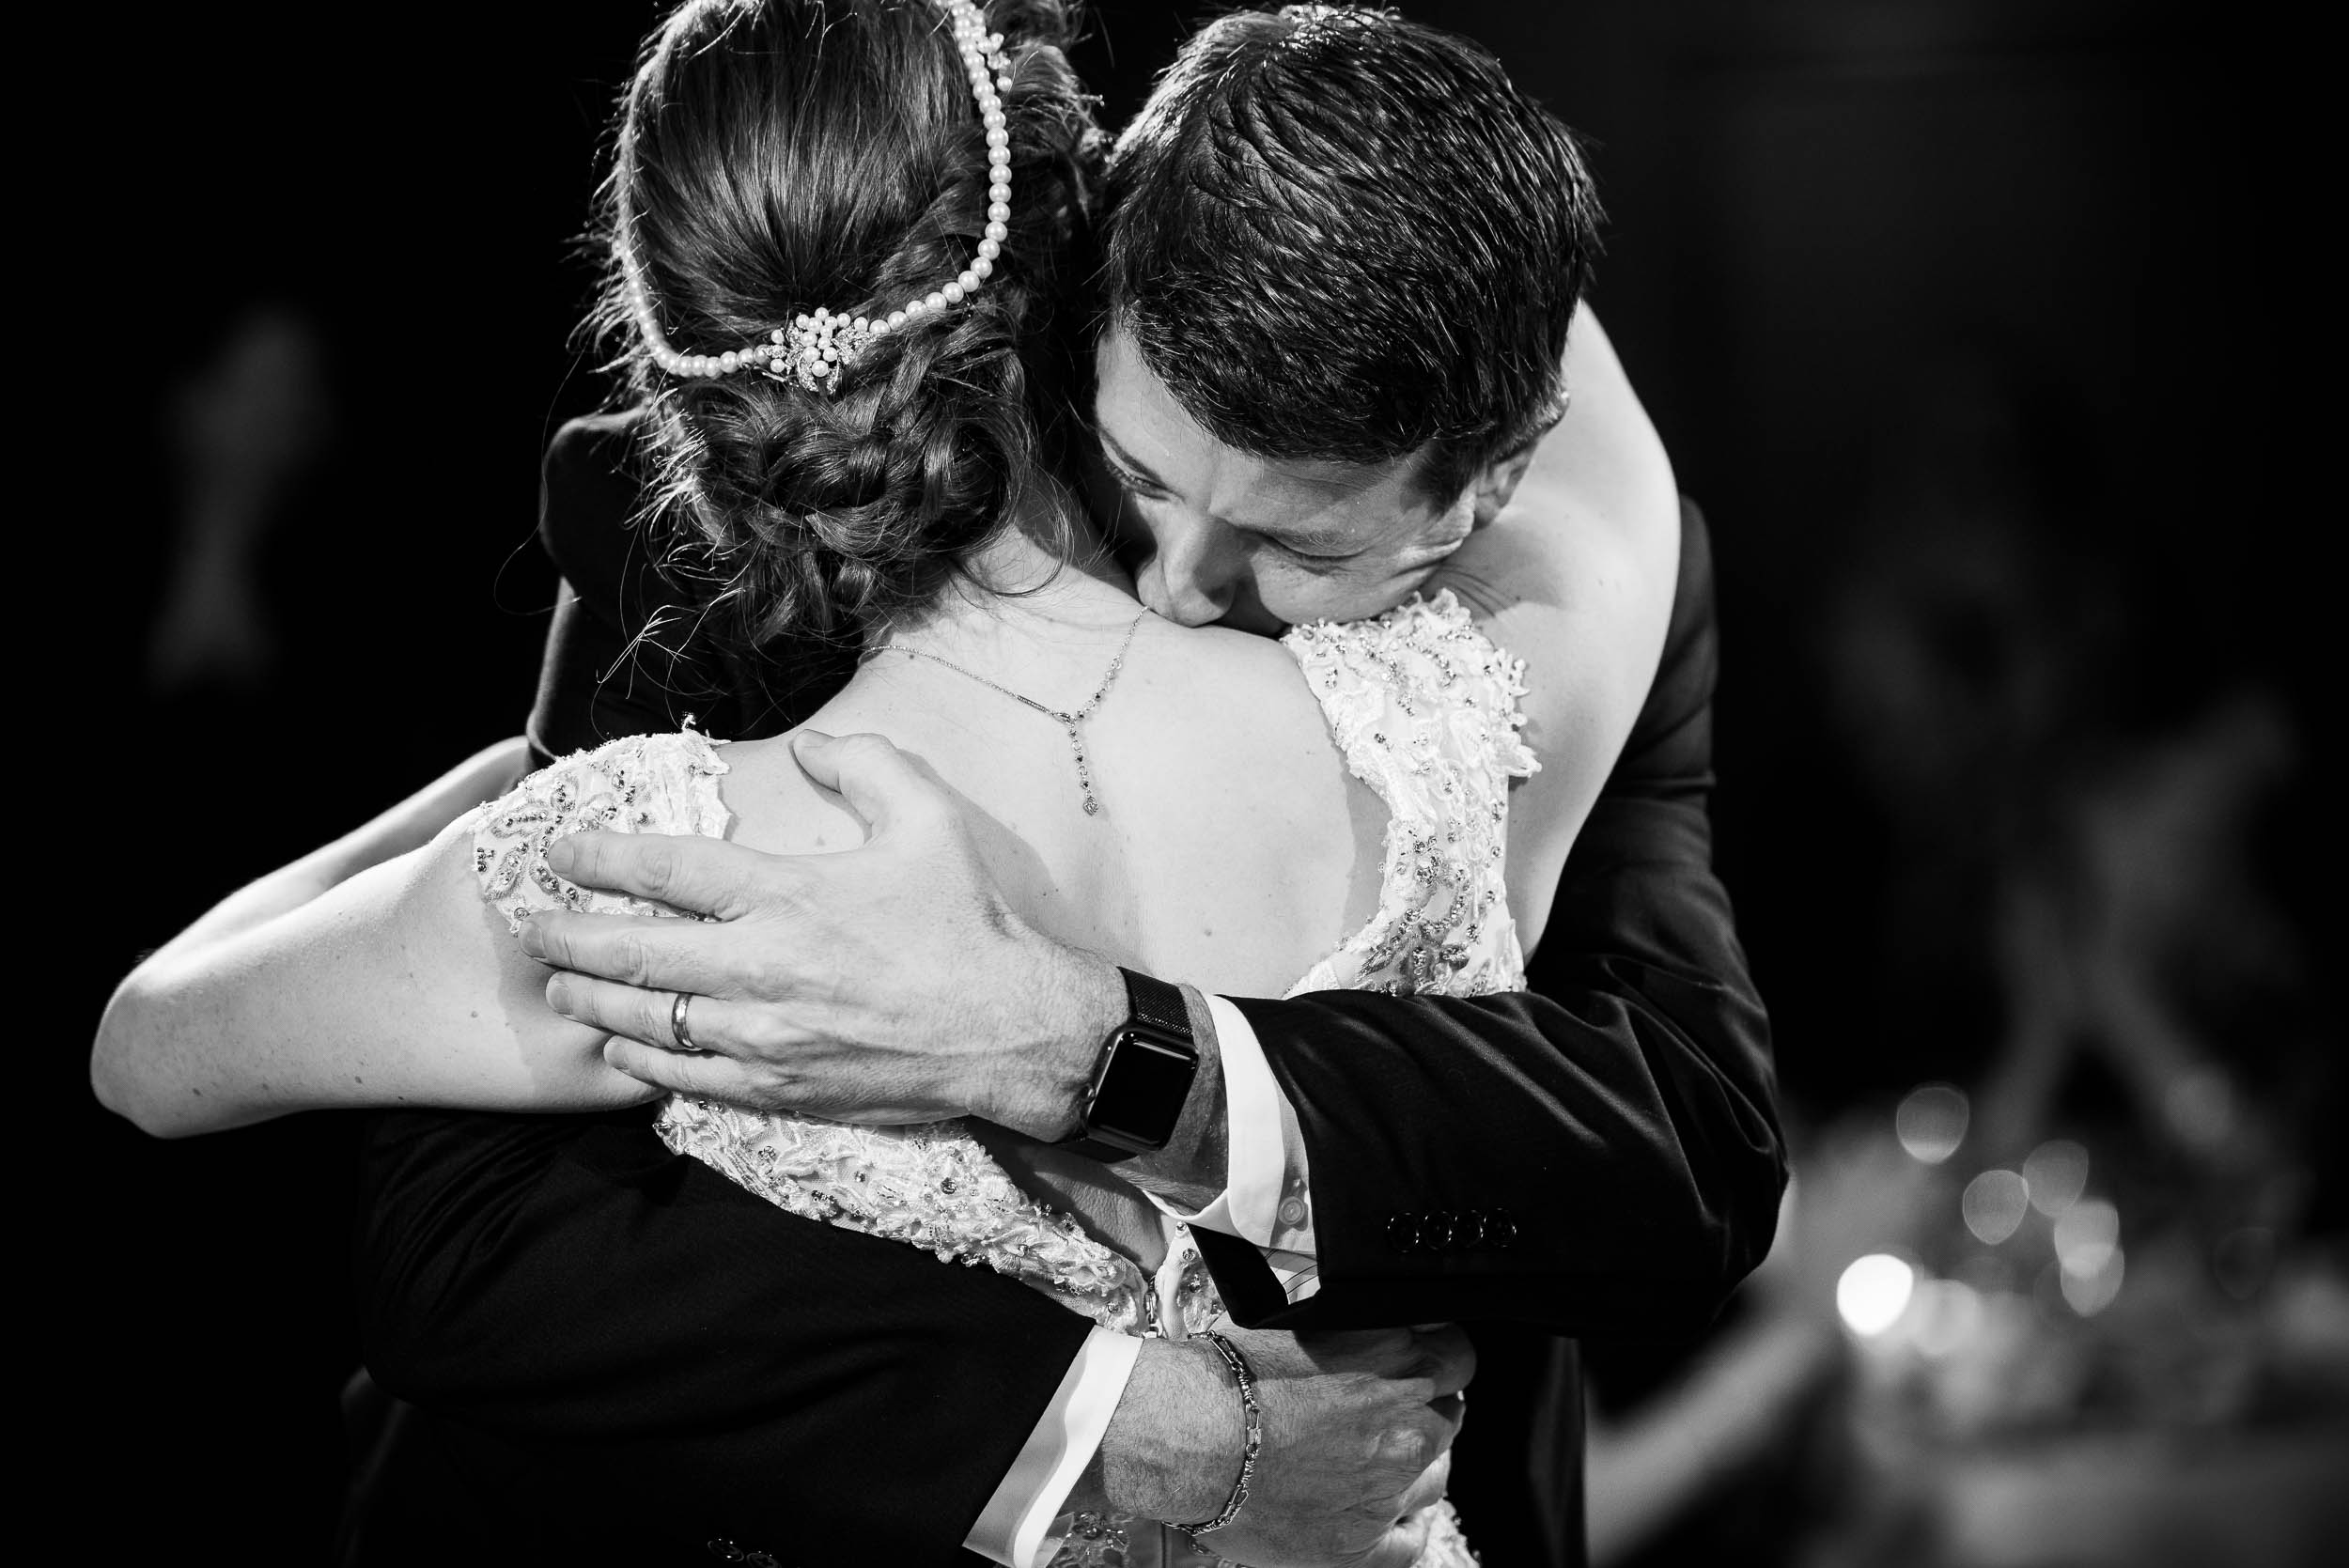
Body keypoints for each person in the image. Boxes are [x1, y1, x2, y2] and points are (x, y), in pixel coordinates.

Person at [96, 4, 1783, 1564]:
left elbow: (1683, 1146)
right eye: (1139, 475)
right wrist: (1134, 1445)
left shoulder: (1579, 578)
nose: (1192, 580)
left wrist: (1091, 1044)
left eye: (1296, 540)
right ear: (1079, 271)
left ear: (1480, 477)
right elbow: (464, 1239)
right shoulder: (1504, 653)